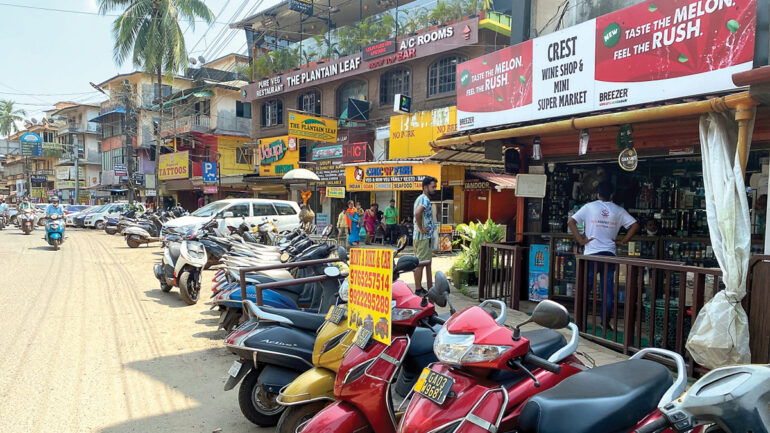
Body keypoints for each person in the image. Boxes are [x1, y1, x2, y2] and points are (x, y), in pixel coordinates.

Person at [568, 181, 640, 330]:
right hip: (609, 254)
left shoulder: (589, 207)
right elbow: (635, 225)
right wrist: (623, 241)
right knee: (607, 291)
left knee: (585, 289)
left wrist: (581, 240)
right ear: (612, 195)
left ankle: (579, 322)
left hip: (591, 255)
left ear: (597, 194)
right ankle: (605, 322)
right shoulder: (618, 210)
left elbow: (571, 222)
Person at [413, 176, 437, 295]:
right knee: (421, 263)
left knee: (420, 262)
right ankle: (418, 289)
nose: (434, 189)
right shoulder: (425, 200)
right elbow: (418, 213)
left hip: (419, 237)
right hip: (423, 238)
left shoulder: (420, 198)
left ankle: (419, 288)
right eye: (433, 187)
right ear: (425, 187)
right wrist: (422, 229)